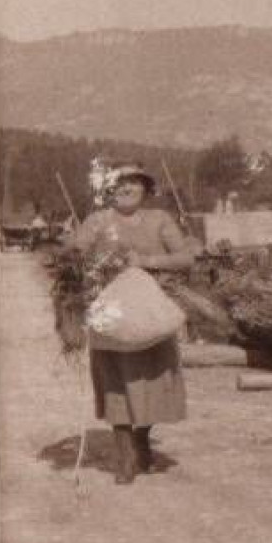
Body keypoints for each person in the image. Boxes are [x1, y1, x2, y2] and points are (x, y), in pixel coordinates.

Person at [69, 162, 195, 484]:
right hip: (111, 313)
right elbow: (75, 255)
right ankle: (126, 455)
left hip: (150, 312)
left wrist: (145, 261)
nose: (125, 189)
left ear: (145, 190)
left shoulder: (159, 220)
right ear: (107, 190)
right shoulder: (97, 220)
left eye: (133, 183)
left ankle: (142, 439)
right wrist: (87, 259)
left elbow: (185, 257)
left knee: (153, 382)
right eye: (118, 184)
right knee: (114, 381)